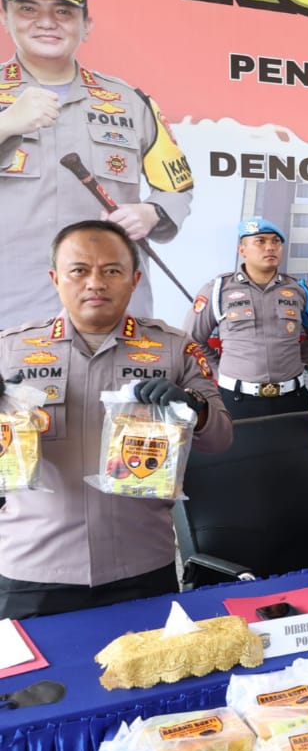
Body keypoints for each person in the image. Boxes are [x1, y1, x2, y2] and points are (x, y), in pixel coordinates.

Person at [0, 220, 230, 619]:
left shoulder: (173, 348)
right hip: (32, 569)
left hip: (141, 565)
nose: (95, 283)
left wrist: (192, 406)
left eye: (111, 270)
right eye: (79, 270)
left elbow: (222, 438)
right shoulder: (10, 350)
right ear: (56, 278)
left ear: (134, 279)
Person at [0, 0, 193, 323]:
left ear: (85, 25)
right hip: (13, 312)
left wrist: (151, 213)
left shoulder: (131, 102)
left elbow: (177, 188)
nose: (46, 22)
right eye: (28, 9)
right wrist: (5, 125)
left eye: (63, 11)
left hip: (113, 311)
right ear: (5, 17)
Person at [185, 217, 308, 418]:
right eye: (260, 241)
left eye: (276, 241)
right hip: (236, 399)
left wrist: (293, 361)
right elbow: (192, 340)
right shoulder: (217, 290)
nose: (270, 247)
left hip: (291, 397)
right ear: (242, 250)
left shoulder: (299, 290)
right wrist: (221, 370)